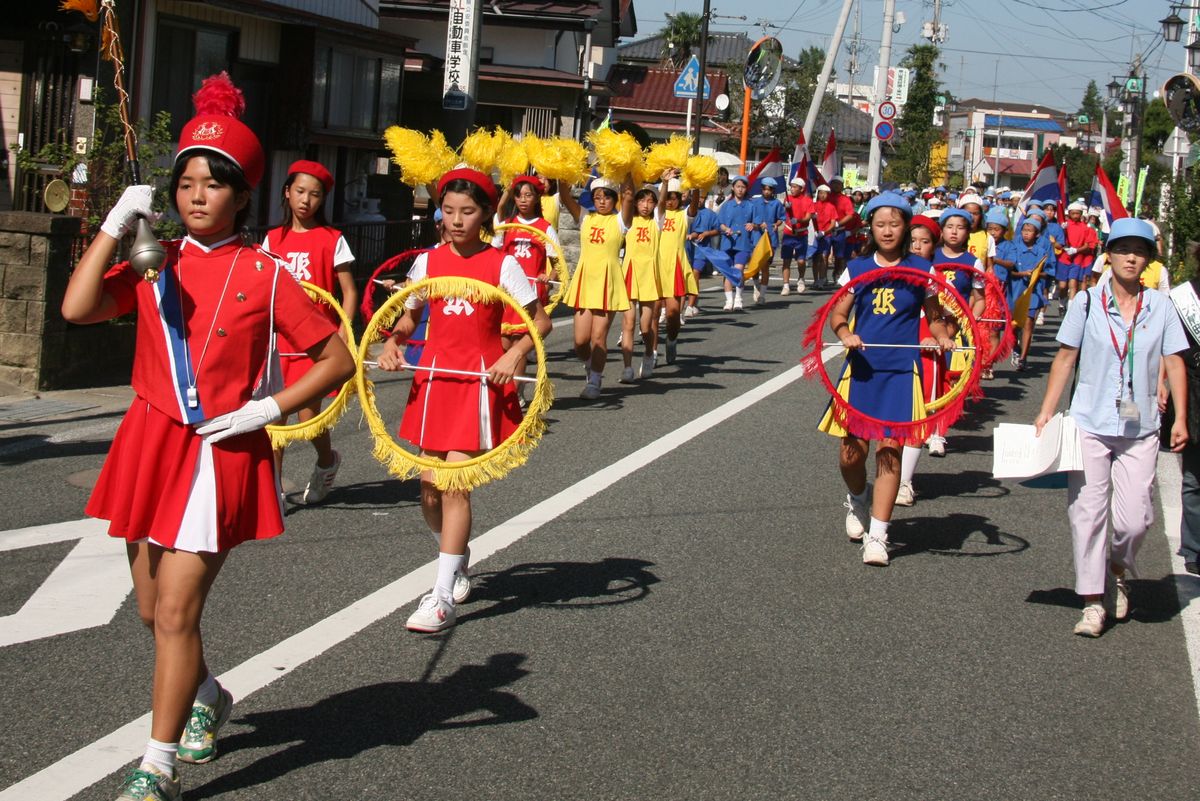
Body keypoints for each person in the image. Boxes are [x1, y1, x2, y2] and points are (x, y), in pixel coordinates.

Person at [61, 73, 355, 801]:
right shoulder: (150, 259)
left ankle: (154, 766)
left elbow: (337, 356)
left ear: (243, 194)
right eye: (186, 181)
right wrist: (113, 223)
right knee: (147, 610)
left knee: (175, 613)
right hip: (149, 441)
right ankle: (209, 695)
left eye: (213, 184)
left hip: (218, 451)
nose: (196, 195)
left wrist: (271, 408)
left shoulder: (265, 272)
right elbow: (74, 307)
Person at [377, 167, 551, 633]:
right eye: (449, 210)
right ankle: (455, 557)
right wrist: (394, 341)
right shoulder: (428, 262)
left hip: (478, 381)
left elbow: (540, 321)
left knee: (454, 482)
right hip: (434, 380)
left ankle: (441, 596)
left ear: (487, 213)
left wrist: (516, 352)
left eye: (467, 211)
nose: (456, 220)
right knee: (429, 488)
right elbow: (410, 317)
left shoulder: (502, 264)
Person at [1034, 217, 1188, 637]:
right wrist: (1046, 411)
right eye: (1123, 249)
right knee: (1088, 511)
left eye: (1140, 251)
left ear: (1149, 259)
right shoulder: (1086, 302)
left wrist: (1182, 419)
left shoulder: (1162, 307)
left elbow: (1174, 360)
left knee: (1135, 519)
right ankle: (1091, 603)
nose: (1131, 257)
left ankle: (1115, 569)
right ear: (1109, 255)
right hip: (1090, 420)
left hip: (1141, 426)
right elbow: (1065, 357)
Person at [818, 192, 954, 566]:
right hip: (862, 369)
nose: (888, 231)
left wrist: (938, 337)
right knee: (851, 455)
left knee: (890, 450)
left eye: (895, 224)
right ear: (871, 228)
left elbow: (936, 316)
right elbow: (837, 314)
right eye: (880, 224)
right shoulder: (857, 268)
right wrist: (845, 333)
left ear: (907, 227)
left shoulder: (921, 270)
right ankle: (858, 498)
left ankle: (879, 535)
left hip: (901, 370)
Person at [263, 159, 357, 504]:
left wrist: (345, 331)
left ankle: (326, 461)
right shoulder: (273, 238)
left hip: (317, 344)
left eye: (315, 194)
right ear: (287, 193)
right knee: (274, 418)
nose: (306, 200)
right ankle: (271, 494)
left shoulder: (333, 239)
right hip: (278, 343)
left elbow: (349, 291)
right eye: (300, 191)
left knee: (308, 416)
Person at [559, 175, 634, 399]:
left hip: (607, 281)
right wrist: (561, 173)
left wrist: (626, 169)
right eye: (598, 197)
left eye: (607, 197)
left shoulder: (621, 221)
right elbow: (564, 196)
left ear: (614, 199)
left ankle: (595, 380)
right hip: (585, 281)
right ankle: (591, 364)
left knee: (598, 337)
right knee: (580, 342)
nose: (602, 201)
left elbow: (629, 196)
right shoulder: (584, 217)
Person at [493, 175, 560, 390]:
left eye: (528, 195)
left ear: (536, 198)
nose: (523, 200)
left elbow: (558, 263)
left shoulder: (545, 227)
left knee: (519, 342)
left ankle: (516, 390)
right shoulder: (506, 225)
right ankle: (505, 385)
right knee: (502, 341)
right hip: (505, 293)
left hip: (529, 293)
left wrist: (548, 278)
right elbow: (493, 255)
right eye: (519, 195)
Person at [897, 213, 944, 506]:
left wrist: (939, 335)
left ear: (932, 247)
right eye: (912, 240)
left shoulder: (933, 276)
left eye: (924, 242)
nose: (916, 247)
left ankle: (905, 481)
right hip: (890, 349)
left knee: (917, 415)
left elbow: (944, 317)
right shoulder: (889, 268)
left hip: (923, 352)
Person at [1168, 246, 1200, 576]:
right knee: (1193, 477)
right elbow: (1172, 350)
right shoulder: (1184, 298)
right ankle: (1194, 547)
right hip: (1193, 391)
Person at [619, 183, 662, 381]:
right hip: (629, 272)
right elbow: (624, 196)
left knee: (646, 327)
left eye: (650, 201)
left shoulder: (657, 222)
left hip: (649, 276)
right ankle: (627, 368)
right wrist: (626, 176)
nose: (646, 205)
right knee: (628, 324)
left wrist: (666, 181)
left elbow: (662, 205)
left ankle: (648, 354)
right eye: (642, 200)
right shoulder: (627, 220)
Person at [655, 171, 696, 362]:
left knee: (672, 315)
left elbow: (693, 209)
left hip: (675, 267)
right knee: (652, 316)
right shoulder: (657, 214)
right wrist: (664, 183)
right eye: (668, 198)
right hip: (655, 267)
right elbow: (660, 204)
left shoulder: (683, 215)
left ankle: (671, 340)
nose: (671, 201)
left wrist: (696, 187)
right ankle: (651, 353)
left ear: (680, 199)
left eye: (675, 198)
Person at [715, 174, 755, 310]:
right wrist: (725, 228)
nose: (740, 190)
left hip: (743, 243)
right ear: (733, 188)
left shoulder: (751, 205)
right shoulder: (726, 205)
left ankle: (738, 298)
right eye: (738, 187)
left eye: (743, 187)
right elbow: (719, 223)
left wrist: (753, 225)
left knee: (738, 270)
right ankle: (728, 300)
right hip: (727, 242)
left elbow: (757, 222)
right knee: (728, 272)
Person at [749, 176, 786, 302]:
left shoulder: (777, 204)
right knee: (755, 266)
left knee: (765, 266)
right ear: (761, 189)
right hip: (756, 237)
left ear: (773, 191)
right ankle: (756, 285)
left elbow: (781, 218)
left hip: (770, 238)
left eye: (769, 189)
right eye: (764, 189)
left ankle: (762, 294)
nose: (767, 191)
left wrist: (776, 224)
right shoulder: (754, 202)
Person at [780, 176, 815, 294]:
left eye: (795, 187)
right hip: (788, 233)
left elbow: (808, 217)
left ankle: (801, 278)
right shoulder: (788, 198)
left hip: (801, 234)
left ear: (801, 189)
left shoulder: (808, 201)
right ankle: (786, 285)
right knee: (786, 260)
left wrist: (799, 221)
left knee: (801, 261)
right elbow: (784, 211)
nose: (792, 189)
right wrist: (786, 206)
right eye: (791, 187)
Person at [685, 192, 719, 316]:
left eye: (702, 197)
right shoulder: (685, 212)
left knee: (696, 273)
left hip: (702, 249)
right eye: (697, 197)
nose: (699, 199)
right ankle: (694, 298)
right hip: (686, 249)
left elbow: (718, 229)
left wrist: (707, 234)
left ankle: (690, 305)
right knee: (686, 277)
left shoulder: (710, 214)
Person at [1060, 200, 1097, 303]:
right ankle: (1062, 301)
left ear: (1081, 214)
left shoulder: (1086, 228)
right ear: (1069, 213)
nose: (1075, 216)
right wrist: (1062, 230)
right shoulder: (1065, 226)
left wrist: (1076, 250)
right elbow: (1058, 241)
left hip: (1078, 259)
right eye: (1073, 213)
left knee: (1074, 281)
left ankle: (1071, 305)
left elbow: (1089, 245)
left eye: (1077, 213)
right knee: (1062, 285)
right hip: (1064, 258)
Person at [812, 184, 838, 288]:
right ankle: (815, 280)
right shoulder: (814, 205)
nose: (822, 195)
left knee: (823, 257)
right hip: (814, 235)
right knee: (814, 258)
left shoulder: (831, 207)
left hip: (826, 236)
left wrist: (824, 233)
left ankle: (822, 279)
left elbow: (832, 223)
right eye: (820, 193)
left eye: (825, 193)